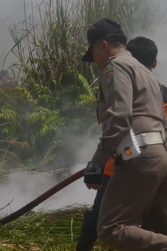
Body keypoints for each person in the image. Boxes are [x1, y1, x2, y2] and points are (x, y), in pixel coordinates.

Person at [80, 19, 167, 250]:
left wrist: (97, 163)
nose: (96, 61)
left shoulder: (115, 66)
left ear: (103, 46)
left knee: (110, 228)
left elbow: (119, 119)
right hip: (159, 155)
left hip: (138, 156)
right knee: (155, 232)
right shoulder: (146, 72)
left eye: (94, 53)